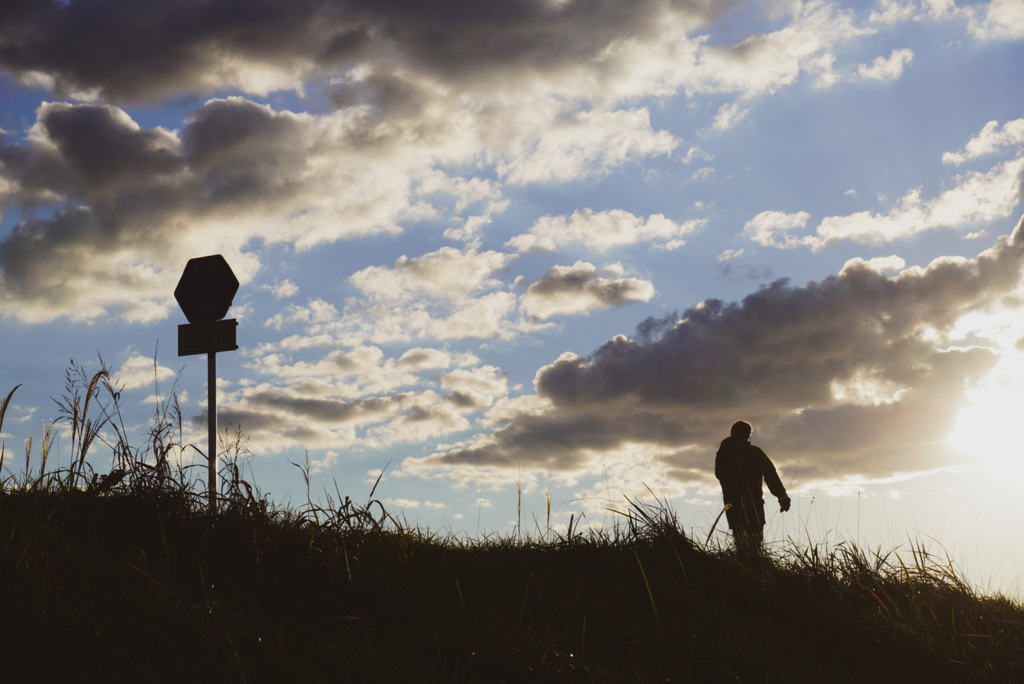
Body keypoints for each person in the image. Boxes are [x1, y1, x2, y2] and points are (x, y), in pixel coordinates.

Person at [715, 420, 790, 551]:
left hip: (732, 507)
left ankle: (741, 569)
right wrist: (782, 496)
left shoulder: (722, 455)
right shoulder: (753, 452)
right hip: (753, 507)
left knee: (740, 545)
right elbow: (770, 475)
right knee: (755, 548)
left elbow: (719, 475)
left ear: (732, 433)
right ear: (748, 435)